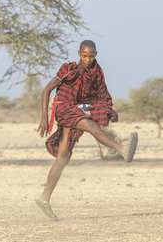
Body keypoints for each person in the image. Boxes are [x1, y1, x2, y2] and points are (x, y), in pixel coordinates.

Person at [35, 40, 138, 220]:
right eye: (84, 56)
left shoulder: (97, 73)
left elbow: (102, 94)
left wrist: (105, 108)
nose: (88, 59)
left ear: (96, 55)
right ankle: (122, 149)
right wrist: (44, 117)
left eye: (91, 56)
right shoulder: (68, 69)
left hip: (78, 108)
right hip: (64, 107)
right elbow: (46, 91)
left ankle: (44, 199)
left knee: (63, 157)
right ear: (78, 54)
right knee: (91, 126)